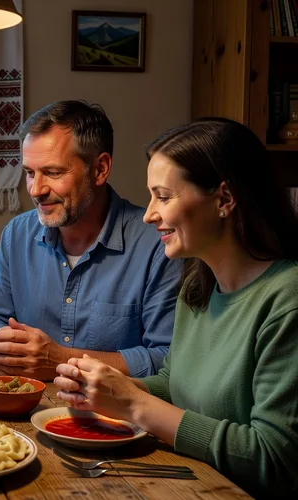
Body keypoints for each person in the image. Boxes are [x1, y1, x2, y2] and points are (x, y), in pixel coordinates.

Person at [53, 118, 298, 497]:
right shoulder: (197, 287)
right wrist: (110, 389)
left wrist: (134, 404)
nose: (149, 214)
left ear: (224, 199)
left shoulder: (287, 300)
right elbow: (175, 384)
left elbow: (275, 459)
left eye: (164, 197)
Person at [0, 100, 180, 380]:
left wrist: (59, 359)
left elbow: (167, 358)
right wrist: (4, 345)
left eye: (53, 172)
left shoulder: (158, 244)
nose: (36, 190)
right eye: (30, 173)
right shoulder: (17, 234)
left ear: (100, 169)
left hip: (114, 407)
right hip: (26, 401)